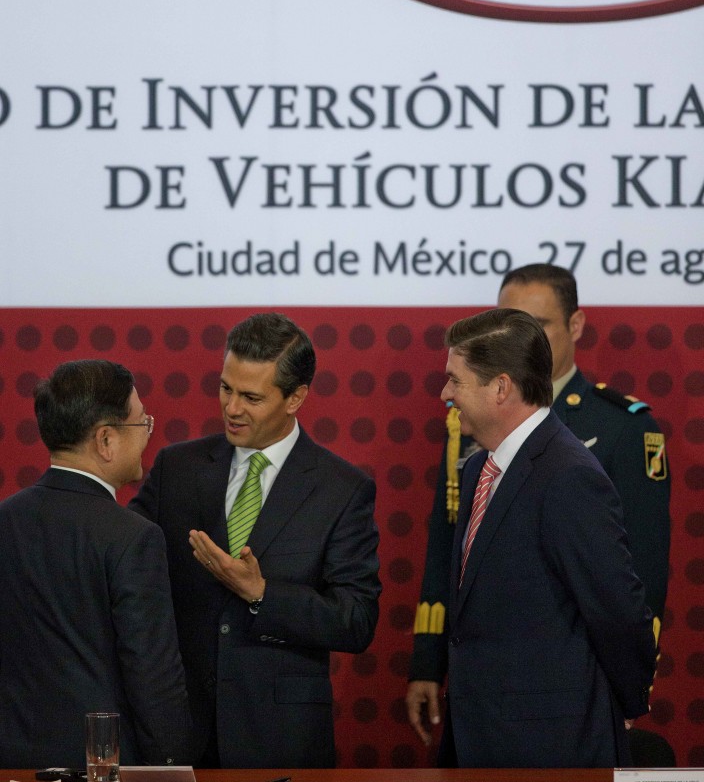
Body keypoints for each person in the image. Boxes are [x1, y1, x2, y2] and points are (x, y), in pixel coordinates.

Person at [407, 263, 669, 746]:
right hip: (477, 727)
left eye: (454, 381)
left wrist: (624, 702)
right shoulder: (476, 467)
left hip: (547, 739)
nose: (444, 395)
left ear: (501, 386)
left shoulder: (569, 472)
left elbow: (618, 606)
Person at [129, 311, 381, 769]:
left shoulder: (342, 489)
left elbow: (356, 619)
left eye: (251, 396)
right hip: (180, 731)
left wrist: (262, 594)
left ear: (296, 397)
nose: (231, 408)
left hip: (281, 738)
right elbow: (124, 566)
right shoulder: (176, 469)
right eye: (226, 388)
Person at [0, 360, 191, 769]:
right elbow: (153, 679)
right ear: (105, 440)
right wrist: (171, 768)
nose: (148, 436)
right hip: (100, 766)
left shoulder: (5, 520)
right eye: (142, 424)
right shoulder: (133, 537)